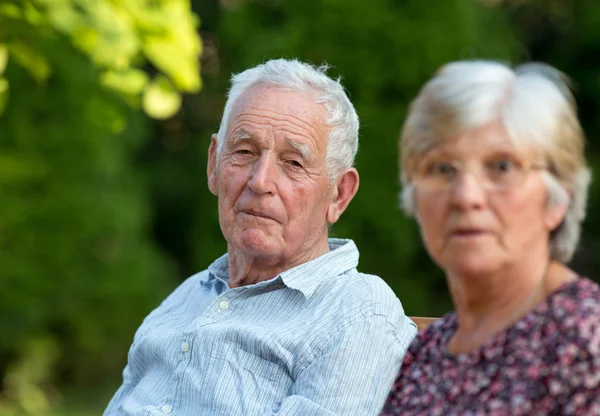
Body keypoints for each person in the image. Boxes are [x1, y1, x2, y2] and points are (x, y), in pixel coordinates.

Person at [104, 58, 416, 415]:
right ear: (213, 165)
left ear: (339, 195)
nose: (260, 181)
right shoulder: (187, 297)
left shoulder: (355, 314)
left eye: (293, 163)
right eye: (244, 152)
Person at [382, 60, 600, 415]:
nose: (466, 195)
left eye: (502, 167)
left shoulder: (586, 341)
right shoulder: (429, 350)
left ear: (559, 197)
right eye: (442, 168)